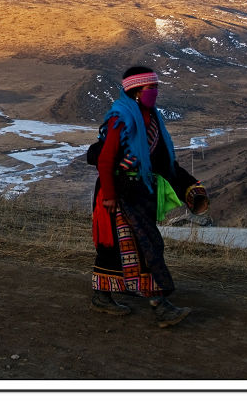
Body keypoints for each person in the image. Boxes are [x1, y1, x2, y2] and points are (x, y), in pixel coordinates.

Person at [89, 66, 210, 327]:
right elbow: (106, 158)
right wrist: (109, 196)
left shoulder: (153, 120)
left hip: (140, 193)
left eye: (156, 88)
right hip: (118, 195)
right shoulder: (120, 119)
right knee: (137, 246)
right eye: (150, 88)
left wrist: (189, 187)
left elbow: (163, 162)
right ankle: (158, 305)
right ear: (135, 92)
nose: (155, 93)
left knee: (140, 246)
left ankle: (109, 295)